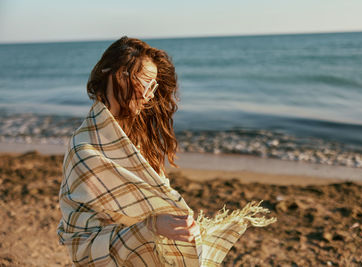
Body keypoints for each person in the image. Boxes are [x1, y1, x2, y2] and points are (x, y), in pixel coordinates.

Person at [57, 36, 276, 266]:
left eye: (155, 86)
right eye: (146, 83)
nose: (151, 94)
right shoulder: (84, 150)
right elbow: (82, 247)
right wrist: (152, 226)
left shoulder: (138, 138)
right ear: (118, 75)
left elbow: (157, 200)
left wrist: (174, 222)